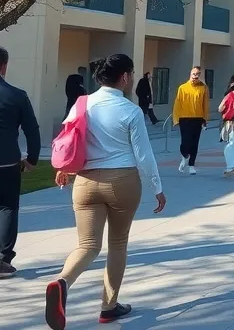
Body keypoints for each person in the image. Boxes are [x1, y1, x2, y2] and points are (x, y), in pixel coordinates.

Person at [44, 53, 166, 330]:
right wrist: (157, 187)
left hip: (85, 181)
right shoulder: (131, 111)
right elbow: (144, 155)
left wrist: (64, 168)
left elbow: (69, 138)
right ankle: (108, 306)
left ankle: (62, 282)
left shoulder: (82, 103)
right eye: (131, 74)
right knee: (118, 243)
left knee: (87, 245)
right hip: (122, 180)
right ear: (124, 76)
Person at [0, 46, 41, 279]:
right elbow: (32, 130)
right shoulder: (17, 95)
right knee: (7, 208)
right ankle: (2, 259)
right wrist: (32, 159)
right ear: (4, 66)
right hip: (7, 161)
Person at [171, 67, 209, 175]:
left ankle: (191, 165)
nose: (195, 76)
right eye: (194, 74)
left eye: (197, 74)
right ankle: (185, 156)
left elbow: (205, 104)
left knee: (194, 142)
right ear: (190, 74)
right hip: (185, 118)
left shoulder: (203, 88)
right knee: (185, 142)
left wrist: (205, 119)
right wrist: (176, 119)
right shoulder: (182, 88)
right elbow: (177, 103)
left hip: (198, 118)